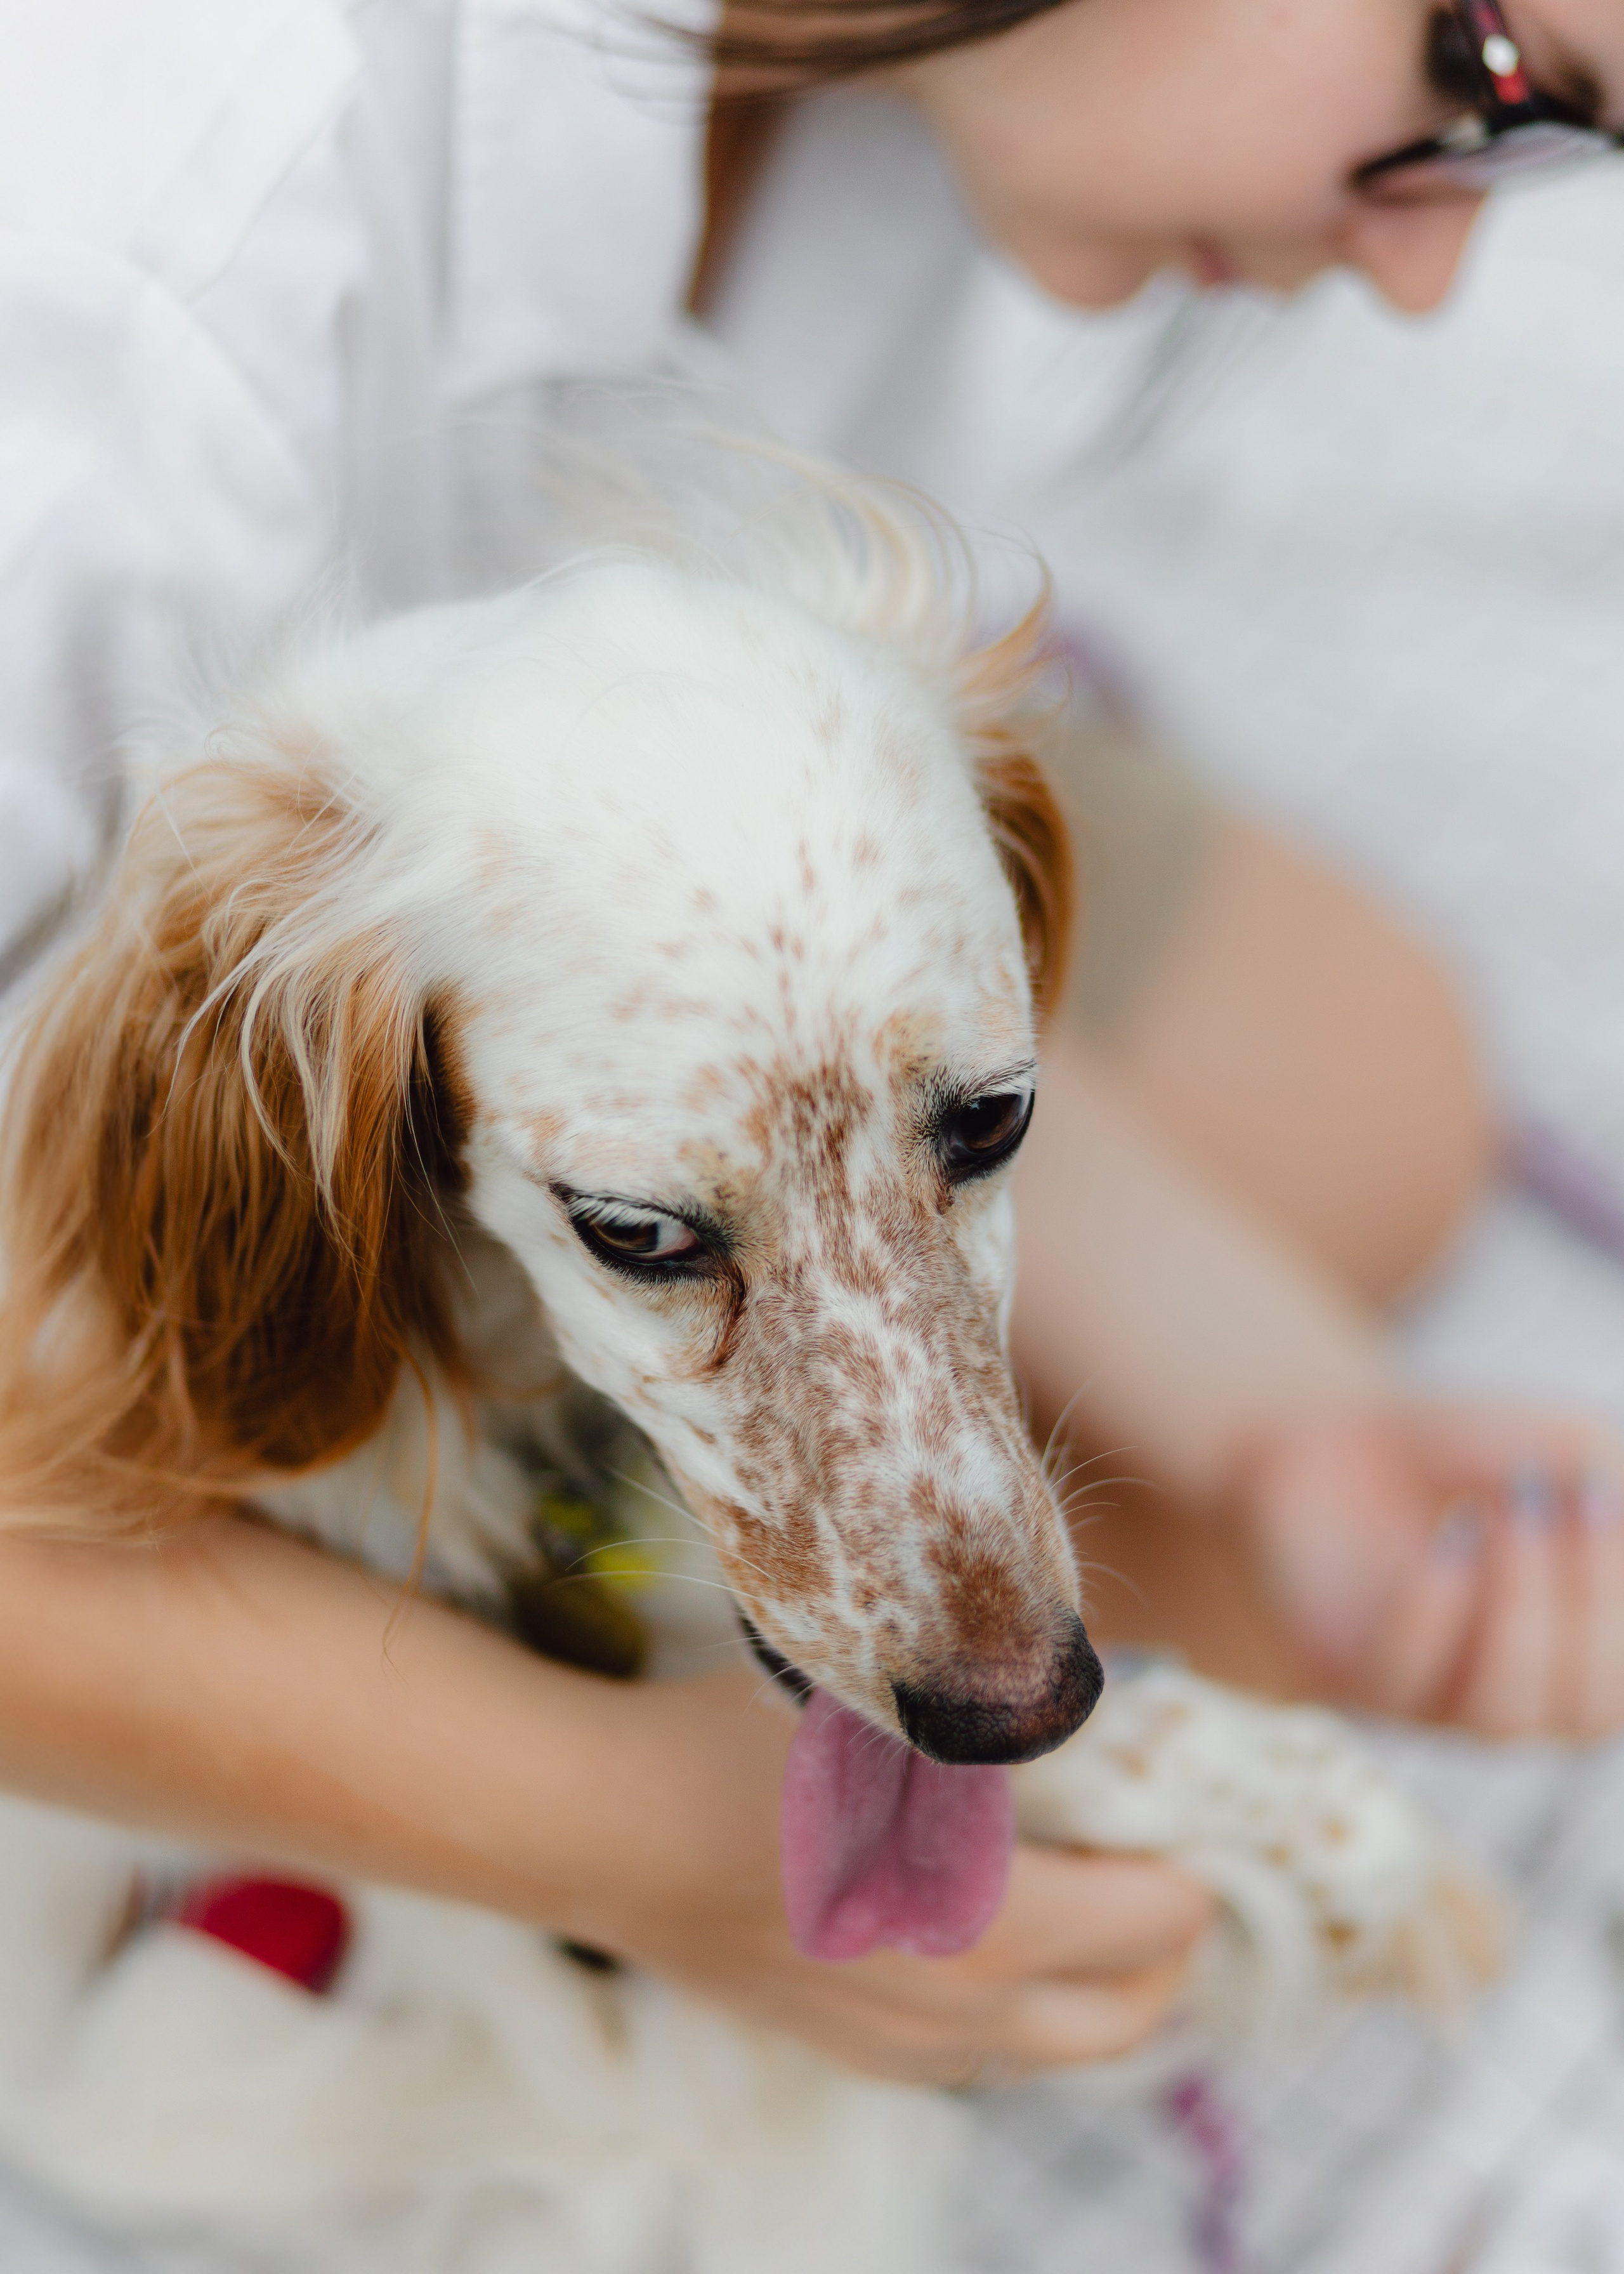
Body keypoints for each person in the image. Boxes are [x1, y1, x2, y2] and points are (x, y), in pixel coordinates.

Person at [0, 0, 1620, 2098]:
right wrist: (618, 1830)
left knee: (1372, 1086)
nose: (1432, 264)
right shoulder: (110, 332)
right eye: (1483, 66)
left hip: (443, 837)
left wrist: (1284, 1420)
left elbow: (785, 1018)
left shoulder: (897, 103)